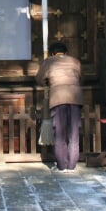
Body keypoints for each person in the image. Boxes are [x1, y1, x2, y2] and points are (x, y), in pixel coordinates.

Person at [37, 41, 82, 172]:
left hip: (58, 98)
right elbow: (80, 78)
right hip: (75, 97)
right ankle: (72, 165)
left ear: (52, 53)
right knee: (74, 133)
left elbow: (39, 78)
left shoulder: (49, 61)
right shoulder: (75, 61)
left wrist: (47, 81)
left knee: (60, 133)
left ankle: (62, 166)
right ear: (66, 52)